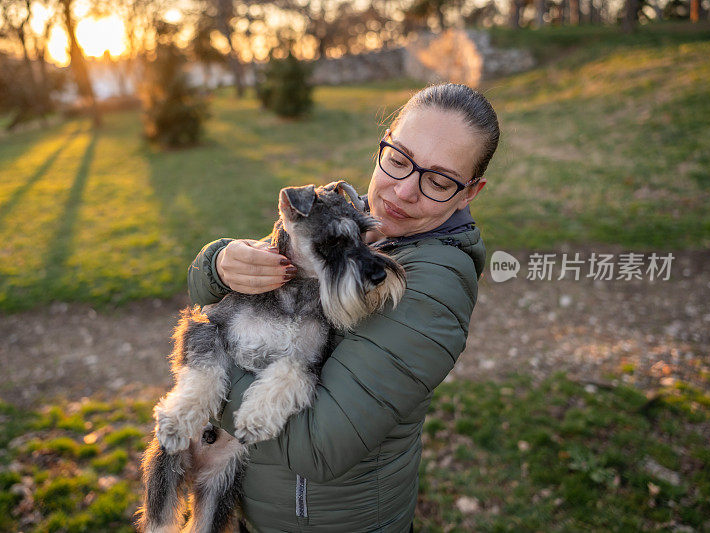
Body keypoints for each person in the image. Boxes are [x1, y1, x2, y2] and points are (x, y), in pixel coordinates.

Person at [185, 83, 499, 532]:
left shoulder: (433, 287)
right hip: (263, 513)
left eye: (439, 180)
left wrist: (205, 358)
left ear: (469, 192)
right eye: (399, 158)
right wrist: (217, 263)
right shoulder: (354, 219)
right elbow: (220, 287)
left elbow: (318, 446)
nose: (405, 191)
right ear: (385, 140)